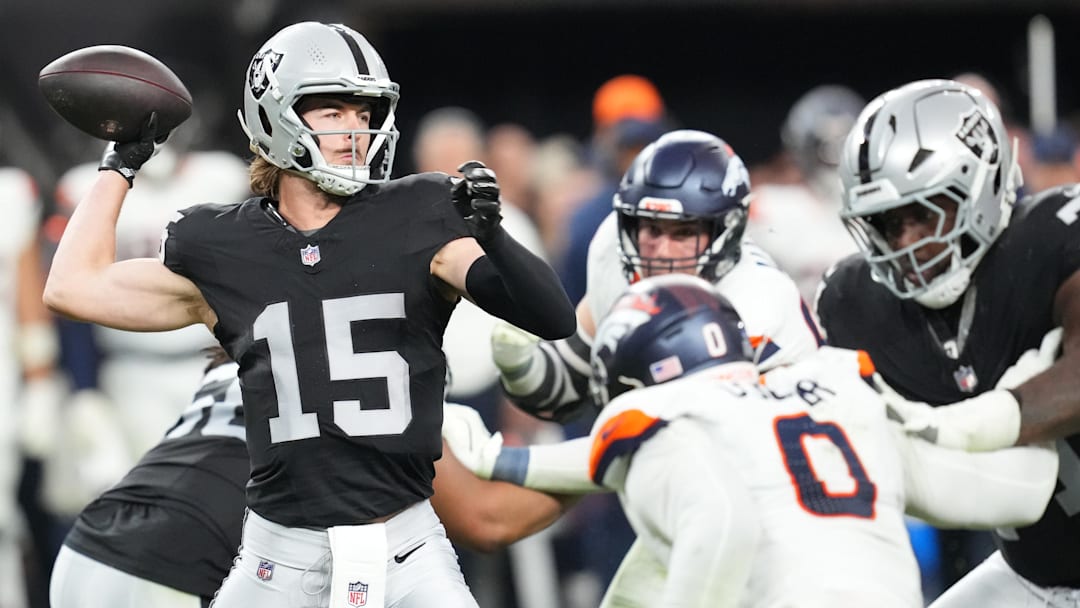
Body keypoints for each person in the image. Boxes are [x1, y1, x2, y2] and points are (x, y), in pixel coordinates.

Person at [44, 20, 575, 608]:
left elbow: (552, 318)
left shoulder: (420, 212)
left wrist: (493, 236)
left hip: (407, 547)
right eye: (333, 111)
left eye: (364, 112)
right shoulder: (224, 247)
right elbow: (73, 287)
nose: (356, 129)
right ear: (275, 116)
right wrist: (121, 165)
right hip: (277, 557)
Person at [453, 274, 1059, 606]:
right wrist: (1033, 383)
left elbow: (717, 523)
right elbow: (1018, 494)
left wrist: (489, 453)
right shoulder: (838, 390)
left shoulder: (661, 417)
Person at [816, 78, 1080, 606]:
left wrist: (958, 426)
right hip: (1037, 577)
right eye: (888, 223)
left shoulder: (1054, 238)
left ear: (981, 182)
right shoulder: (855, 304)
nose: (907, 243)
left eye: (923, 213)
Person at [48, 346, 570, 608]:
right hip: (185, 563)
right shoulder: (373, 371)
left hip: (92, 546)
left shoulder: (252, 343)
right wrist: (598, 466)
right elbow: (488, 521)